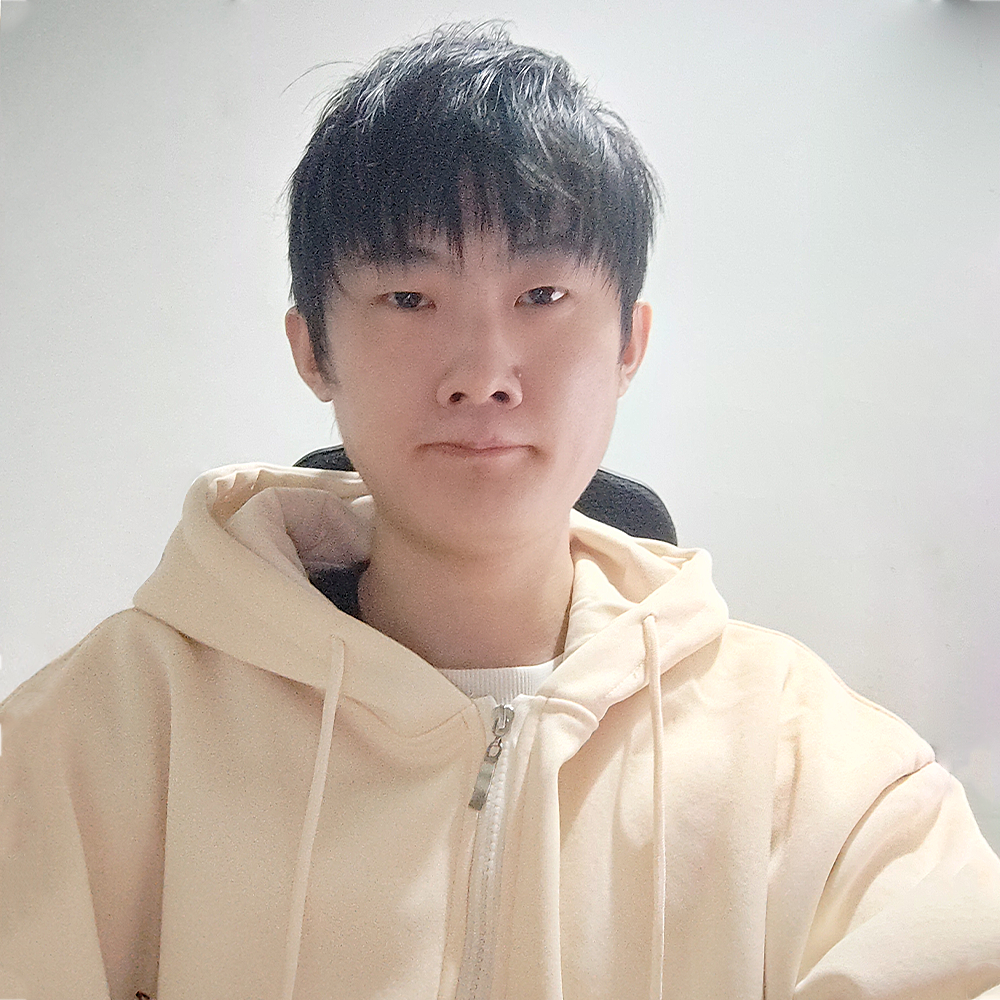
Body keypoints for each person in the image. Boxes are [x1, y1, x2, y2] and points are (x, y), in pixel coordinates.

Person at [1, 23, 999, 1000]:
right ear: (312, 349)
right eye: (409, 297)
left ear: (629, 344)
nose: (483, 373)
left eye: (543, 293)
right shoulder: (113, 731)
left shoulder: (809, 764)